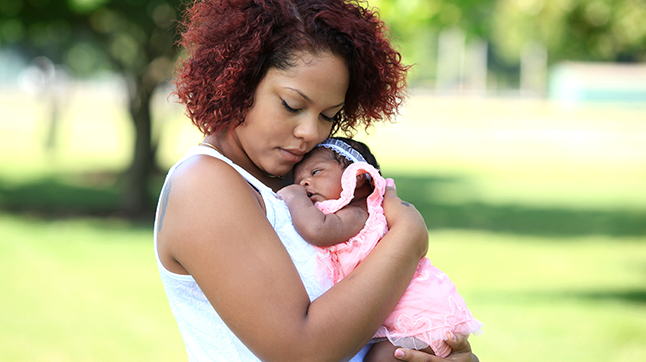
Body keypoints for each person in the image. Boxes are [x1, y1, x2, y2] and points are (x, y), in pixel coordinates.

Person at [155, 0, 479, 361]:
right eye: (292, 105)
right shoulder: (205, 185)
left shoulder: (294, 182)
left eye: (328, 115)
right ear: (240, 80)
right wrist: (408, 237)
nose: (310, 132)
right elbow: (301, 350)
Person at [277, 138, 484, 361]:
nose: (304, 184)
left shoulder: (360, 212)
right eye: (299, 181)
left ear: (356, 178)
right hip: (405, 320)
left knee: (382, 358)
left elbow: (317, 229)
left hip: (418, 318)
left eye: (316, 172)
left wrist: (293, 196)